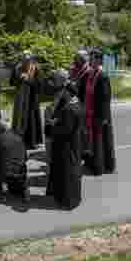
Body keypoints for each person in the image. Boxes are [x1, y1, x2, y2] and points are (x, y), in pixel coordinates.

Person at [46, 77, 84, 210]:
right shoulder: (76, 103)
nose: (62, 93)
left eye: (64, 91)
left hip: (67, 146)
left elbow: (65, 130)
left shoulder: (69, 109)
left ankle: (68, 200)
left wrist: (53, 125)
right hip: (74, 143)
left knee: (68, 173)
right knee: (72, 171)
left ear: (68, 92)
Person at [84, 48, 116, 175]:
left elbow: (105, 98)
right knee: (93, 141)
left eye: (91, 58)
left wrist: (103, 117)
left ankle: (101, 167)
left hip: (100, 115)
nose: (89, 61)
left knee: (100, 142)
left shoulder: (102, 76)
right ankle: (93, 163)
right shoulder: (91, 74)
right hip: (91, 112)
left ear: (98, 60)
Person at [10, 52, 44, 150]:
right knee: (20, 118)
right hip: (20, 98)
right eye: (24, 60)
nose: (25, 63)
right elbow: (11, 82)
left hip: (32, 98)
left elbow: (40, 84)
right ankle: (20, 140)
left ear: (31, 60)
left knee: (31, 119)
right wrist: (19, 78)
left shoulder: (36, 68)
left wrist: (28, 79)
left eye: (28, 60)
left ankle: (33, 142)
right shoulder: (17, 68)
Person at [0, 125, 30, 204]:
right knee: (20, 167)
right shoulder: (19, 139)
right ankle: (23, 189)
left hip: (3, 171)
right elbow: (25, 157)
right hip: (19, 171)